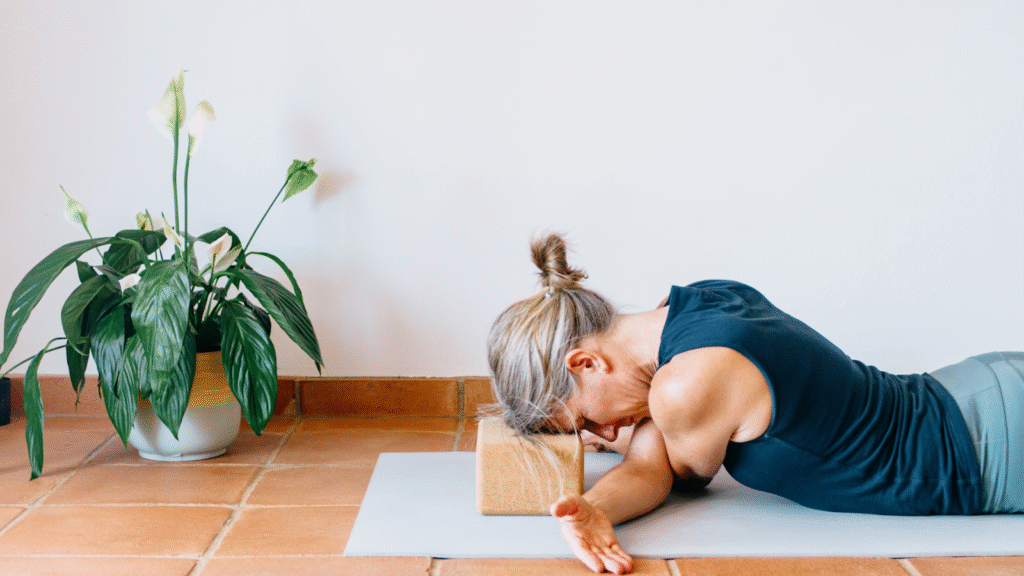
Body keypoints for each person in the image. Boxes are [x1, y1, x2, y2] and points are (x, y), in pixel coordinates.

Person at [486, 233, 1024, 575]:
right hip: (980, 387)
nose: (605, 436)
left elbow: (665, 471)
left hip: (987, 451)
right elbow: (657, 447)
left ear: (586, 364)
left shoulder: (685, 387)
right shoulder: (698, 301)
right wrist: (597, 510)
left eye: (586, 420)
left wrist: (603, 504)